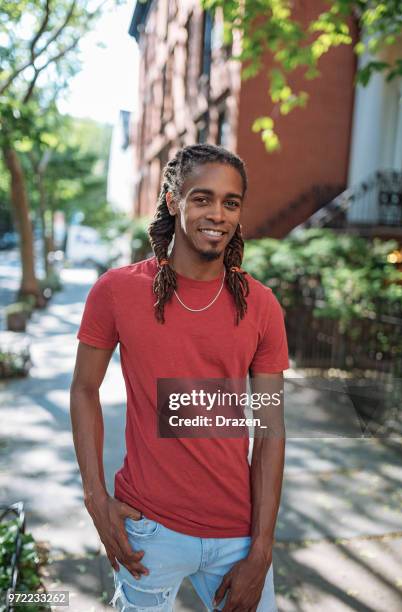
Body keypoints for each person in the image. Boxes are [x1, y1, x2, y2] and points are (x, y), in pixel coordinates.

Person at [70, 143, 290, 611]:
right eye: (202, 198)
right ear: (173, 201)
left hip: (238, 535)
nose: (218, 213)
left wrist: (263, 547)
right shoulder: (117, 291)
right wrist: (96, 499)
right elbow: (84, 389)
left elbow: (271, 429)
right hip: (148, 529)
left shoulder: (261, 304)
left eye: (231, 202)